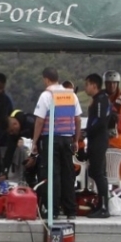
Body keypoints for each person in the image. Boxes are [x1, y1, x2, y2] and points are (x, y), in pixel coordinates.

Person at [31, 67, 83, 219]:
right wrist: (75, 139)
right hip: (67, 139)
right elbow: (78, 119)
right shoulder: (71, 95)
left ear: (46, 79)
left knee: (53, 175)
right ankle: (70, 211)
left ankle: (53, 211)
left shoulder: (46, 95)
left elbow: (40, 120)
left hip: (51, 139)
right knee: (68, 175)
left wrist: (34, 142)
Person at [82, 73, 112, 218]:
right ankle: (100, 203)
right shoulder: (97, 99)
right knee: (94, 172)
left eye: (87, 84)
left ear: (94, 85)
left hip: (99, 140)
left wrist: (86, 131)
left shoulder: (101, 100)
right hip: (95, 140)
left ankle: (105, 207)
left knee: (98, 173)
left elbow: (100, 121)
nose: (85, 87)